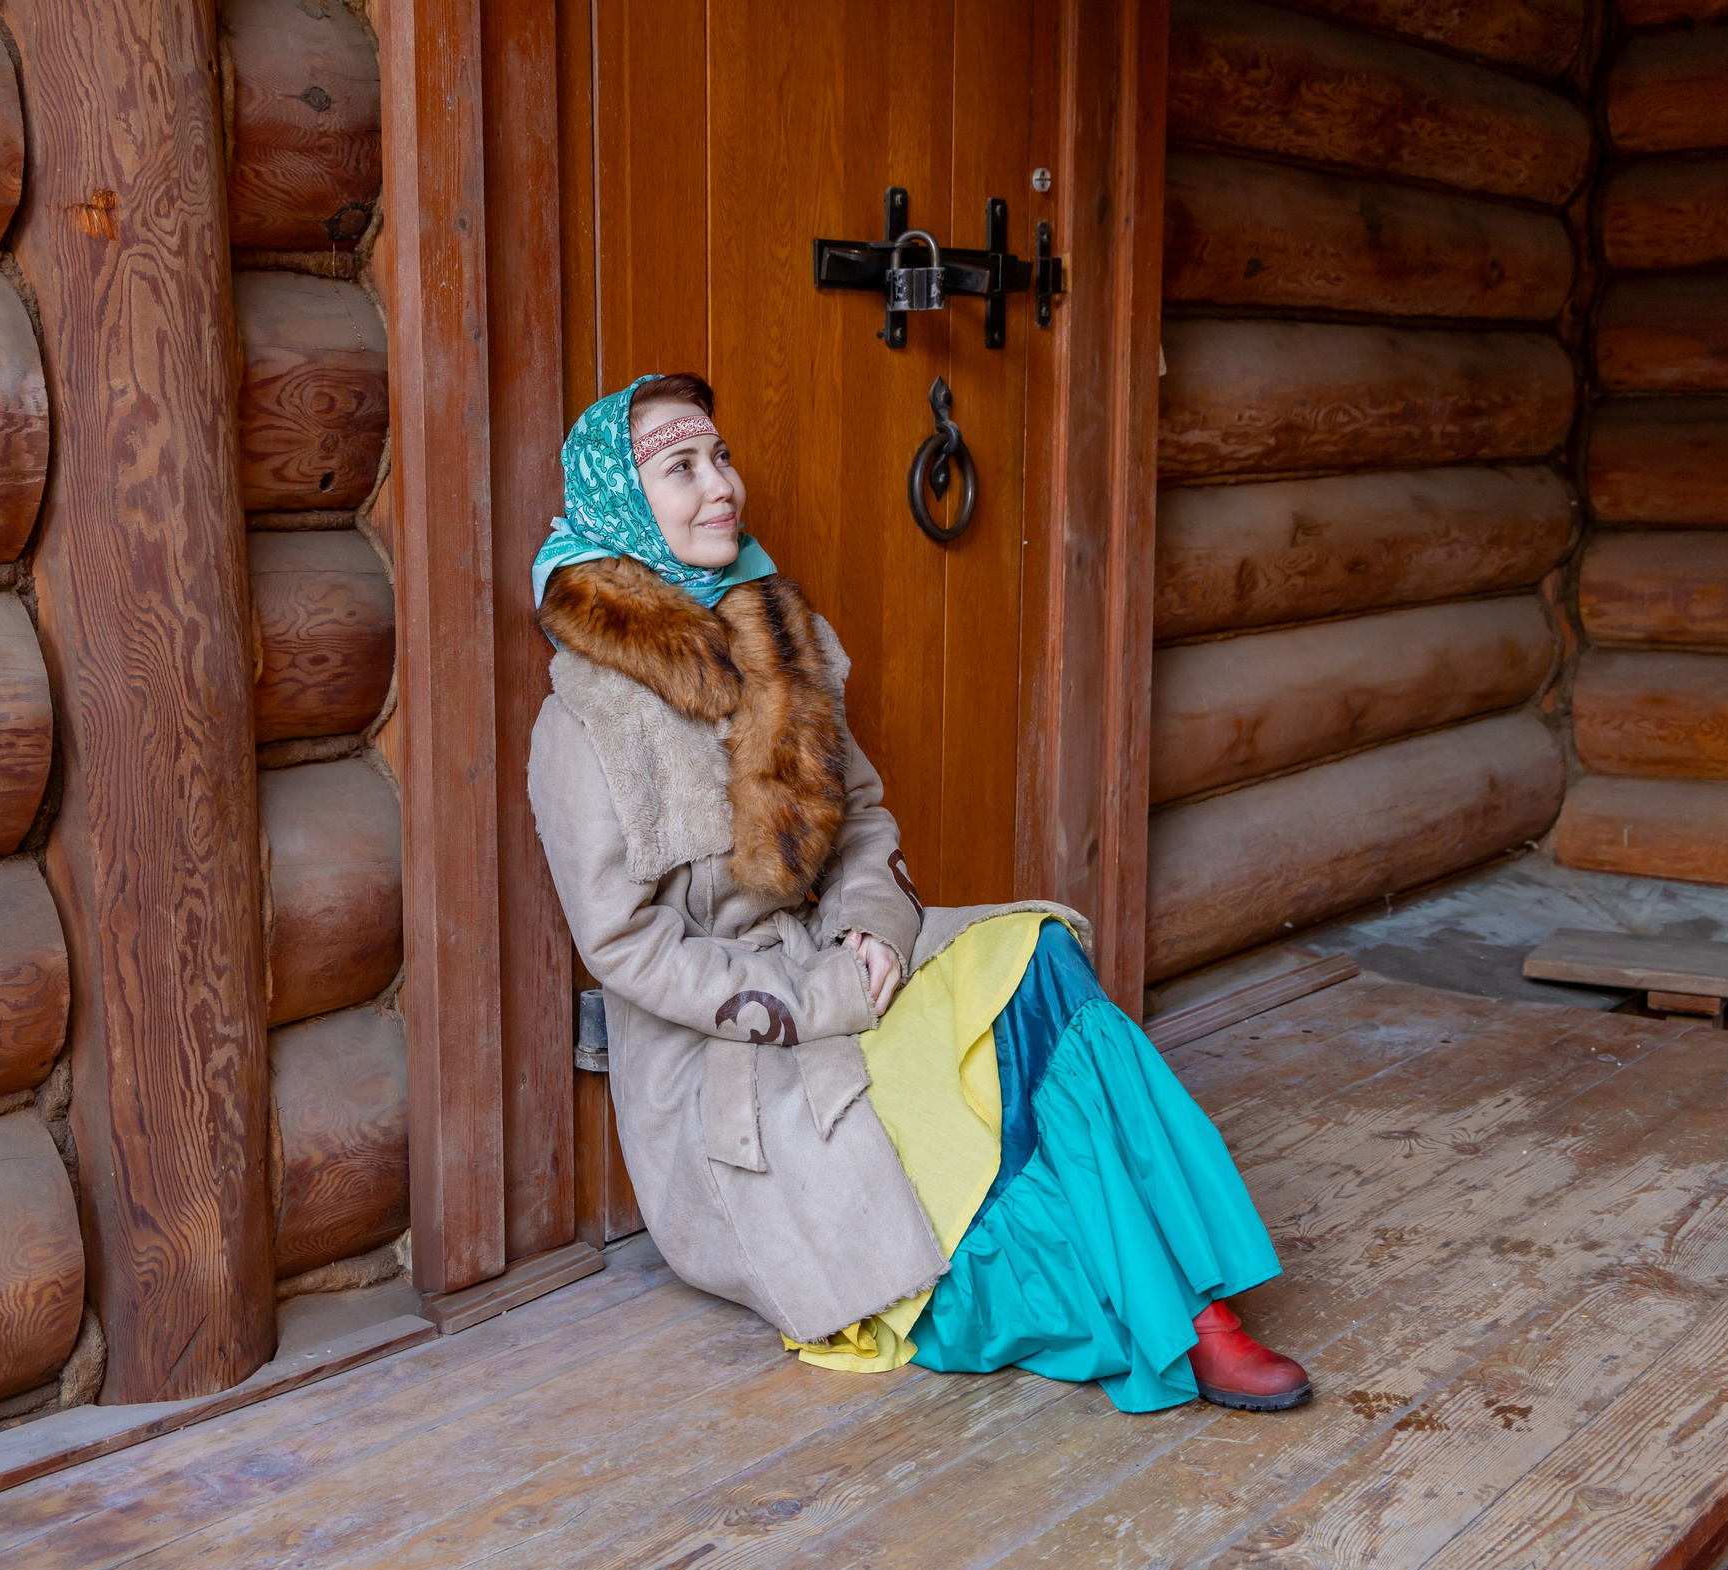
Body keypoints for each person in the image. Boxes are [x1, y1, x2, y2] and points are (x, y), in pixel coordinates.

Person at [525, 372, 1311, 1413]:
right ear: (622, 511)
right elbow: (623, 949)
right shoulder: (583, 723)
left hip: (844, 959)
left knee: (1037, 962)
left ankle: (1206, 1312)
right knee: (931, 1224)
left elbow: (865, 820)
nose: (721, 487)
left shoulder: (781, 650)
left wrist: (872, 929)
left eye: (719, 457)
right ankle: (1151, 1317)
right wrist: (821, 999)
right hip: (738, 1053)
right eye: (681, 469)